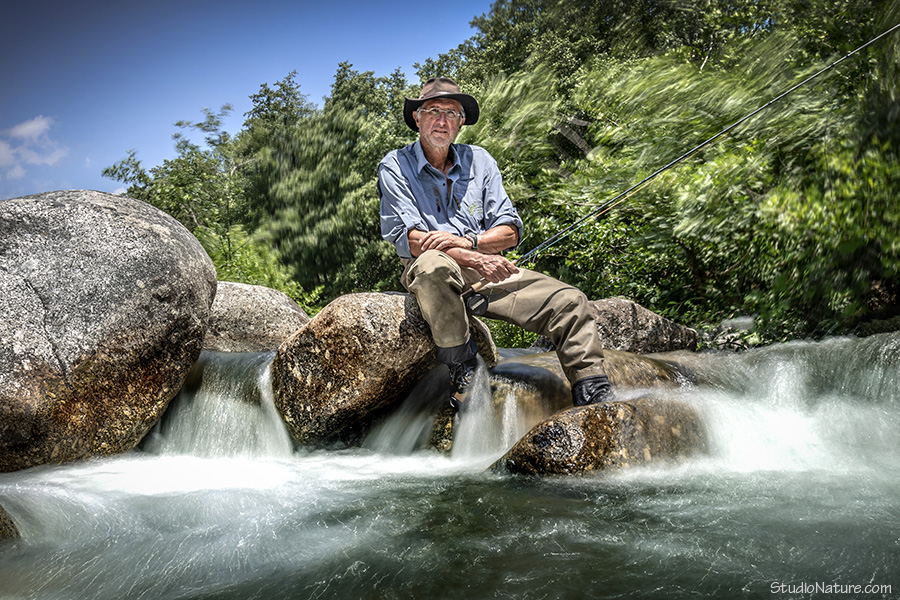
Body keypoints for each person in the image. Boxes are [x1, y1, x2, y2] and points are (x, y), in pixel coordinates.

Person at [377, 77, 613, 411]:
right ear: (417, 117)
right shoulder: (394, 165)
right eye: (433, 111)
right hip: (434, 270)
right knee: (432, 266)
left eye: (451, 113)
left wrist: (470, 242)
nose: (442, 121)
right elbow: (414, 241)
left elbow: (510, 231)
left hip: (488, 272)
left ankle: (594, 396)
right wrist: (473, 257)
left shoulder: (481, 161)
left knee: (570, 301)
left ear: (461, 123)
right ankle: (462, 368)